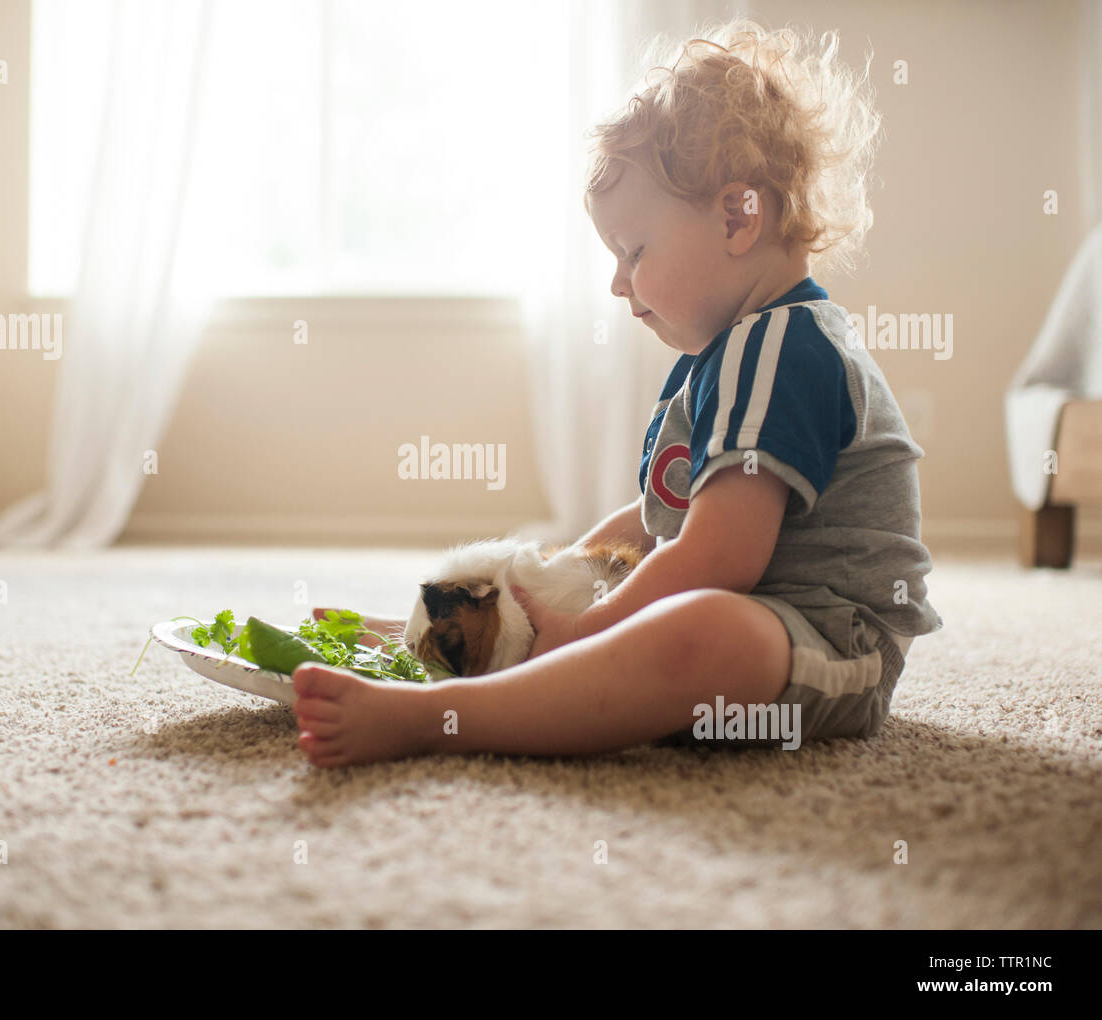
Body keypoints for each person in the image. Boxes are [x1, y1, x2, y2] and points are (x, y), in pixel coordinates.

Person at [292, 18, 942, 767]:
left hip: (829, 648)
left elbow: (717, 555)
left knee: (698, 630)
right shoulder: (726, 354)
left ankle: (443, 714)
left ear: (739, 216)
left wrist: (595, 628)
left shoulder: (784, 348)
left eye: (634, 251)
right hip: (764, 620)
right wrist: (547, 586)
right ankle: (441, 648)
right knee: (662, 618)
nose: (616, 282)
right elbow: (656, 518)